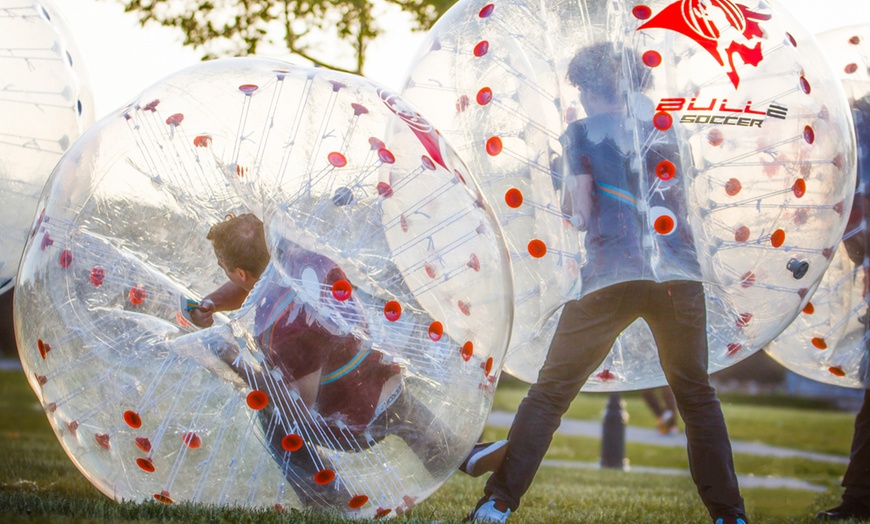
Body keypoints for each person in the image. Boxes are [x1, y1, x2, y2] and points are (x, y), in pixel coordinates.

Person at [467, 42, 746, 524]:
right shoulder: (668, 131)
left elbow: (581, 213)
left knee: (550, 393)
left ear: (591, 90)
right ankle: (730, 515)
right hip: (678, 276)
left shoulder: (581, 133)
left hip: (610, 275)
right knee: (697, 398)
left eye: (583, 89)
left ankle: (496, 506)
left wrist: (563, 194)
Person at [189, 213, 506, 508]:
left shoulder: (281, 325)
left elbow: (297, 404)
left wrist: (235, 361)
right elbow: (255, 282)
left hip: (352, 424)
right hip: (386, 390)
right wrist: (212, 302)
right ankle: (460, 454)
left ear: (240, 273)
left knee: (270, 411)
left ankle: (332, 499)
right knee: (392, 397)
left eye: (225, 268)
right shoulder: (303, 260)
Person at [816, 93, 870, 522]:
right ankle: (859, 499)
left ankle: (859, 499)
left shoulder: (859, 135)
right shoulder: (859, 132)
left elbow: (855, 225)